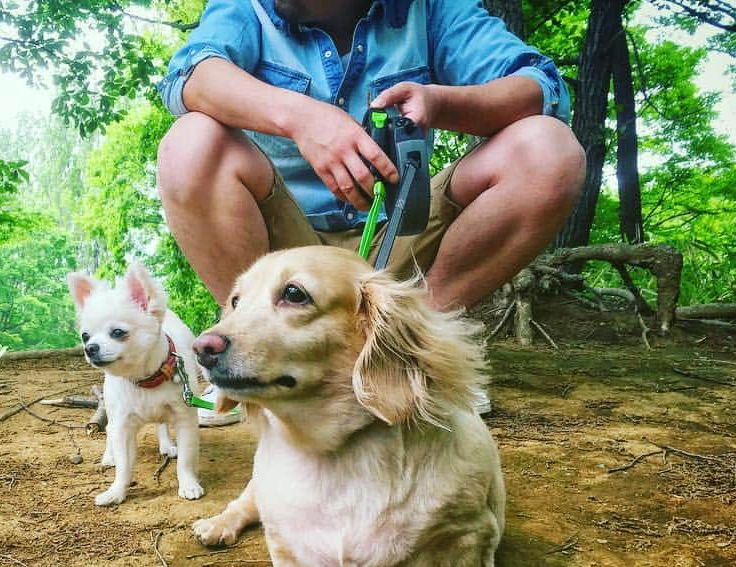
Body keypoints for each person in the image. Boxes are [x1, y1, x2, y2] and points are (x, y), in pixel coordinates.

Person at [155, 0, 586, 418]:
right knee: (190, 143)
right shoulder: (247, 7)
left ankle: (414, 354)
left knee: (547, 149)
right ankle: (247, 356)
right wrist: (301, 118)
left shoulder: (431, 8)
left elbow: (542, 86)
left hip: (401, 233)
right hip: (284, 250)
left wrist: (441, 104)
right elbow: (189, 76)